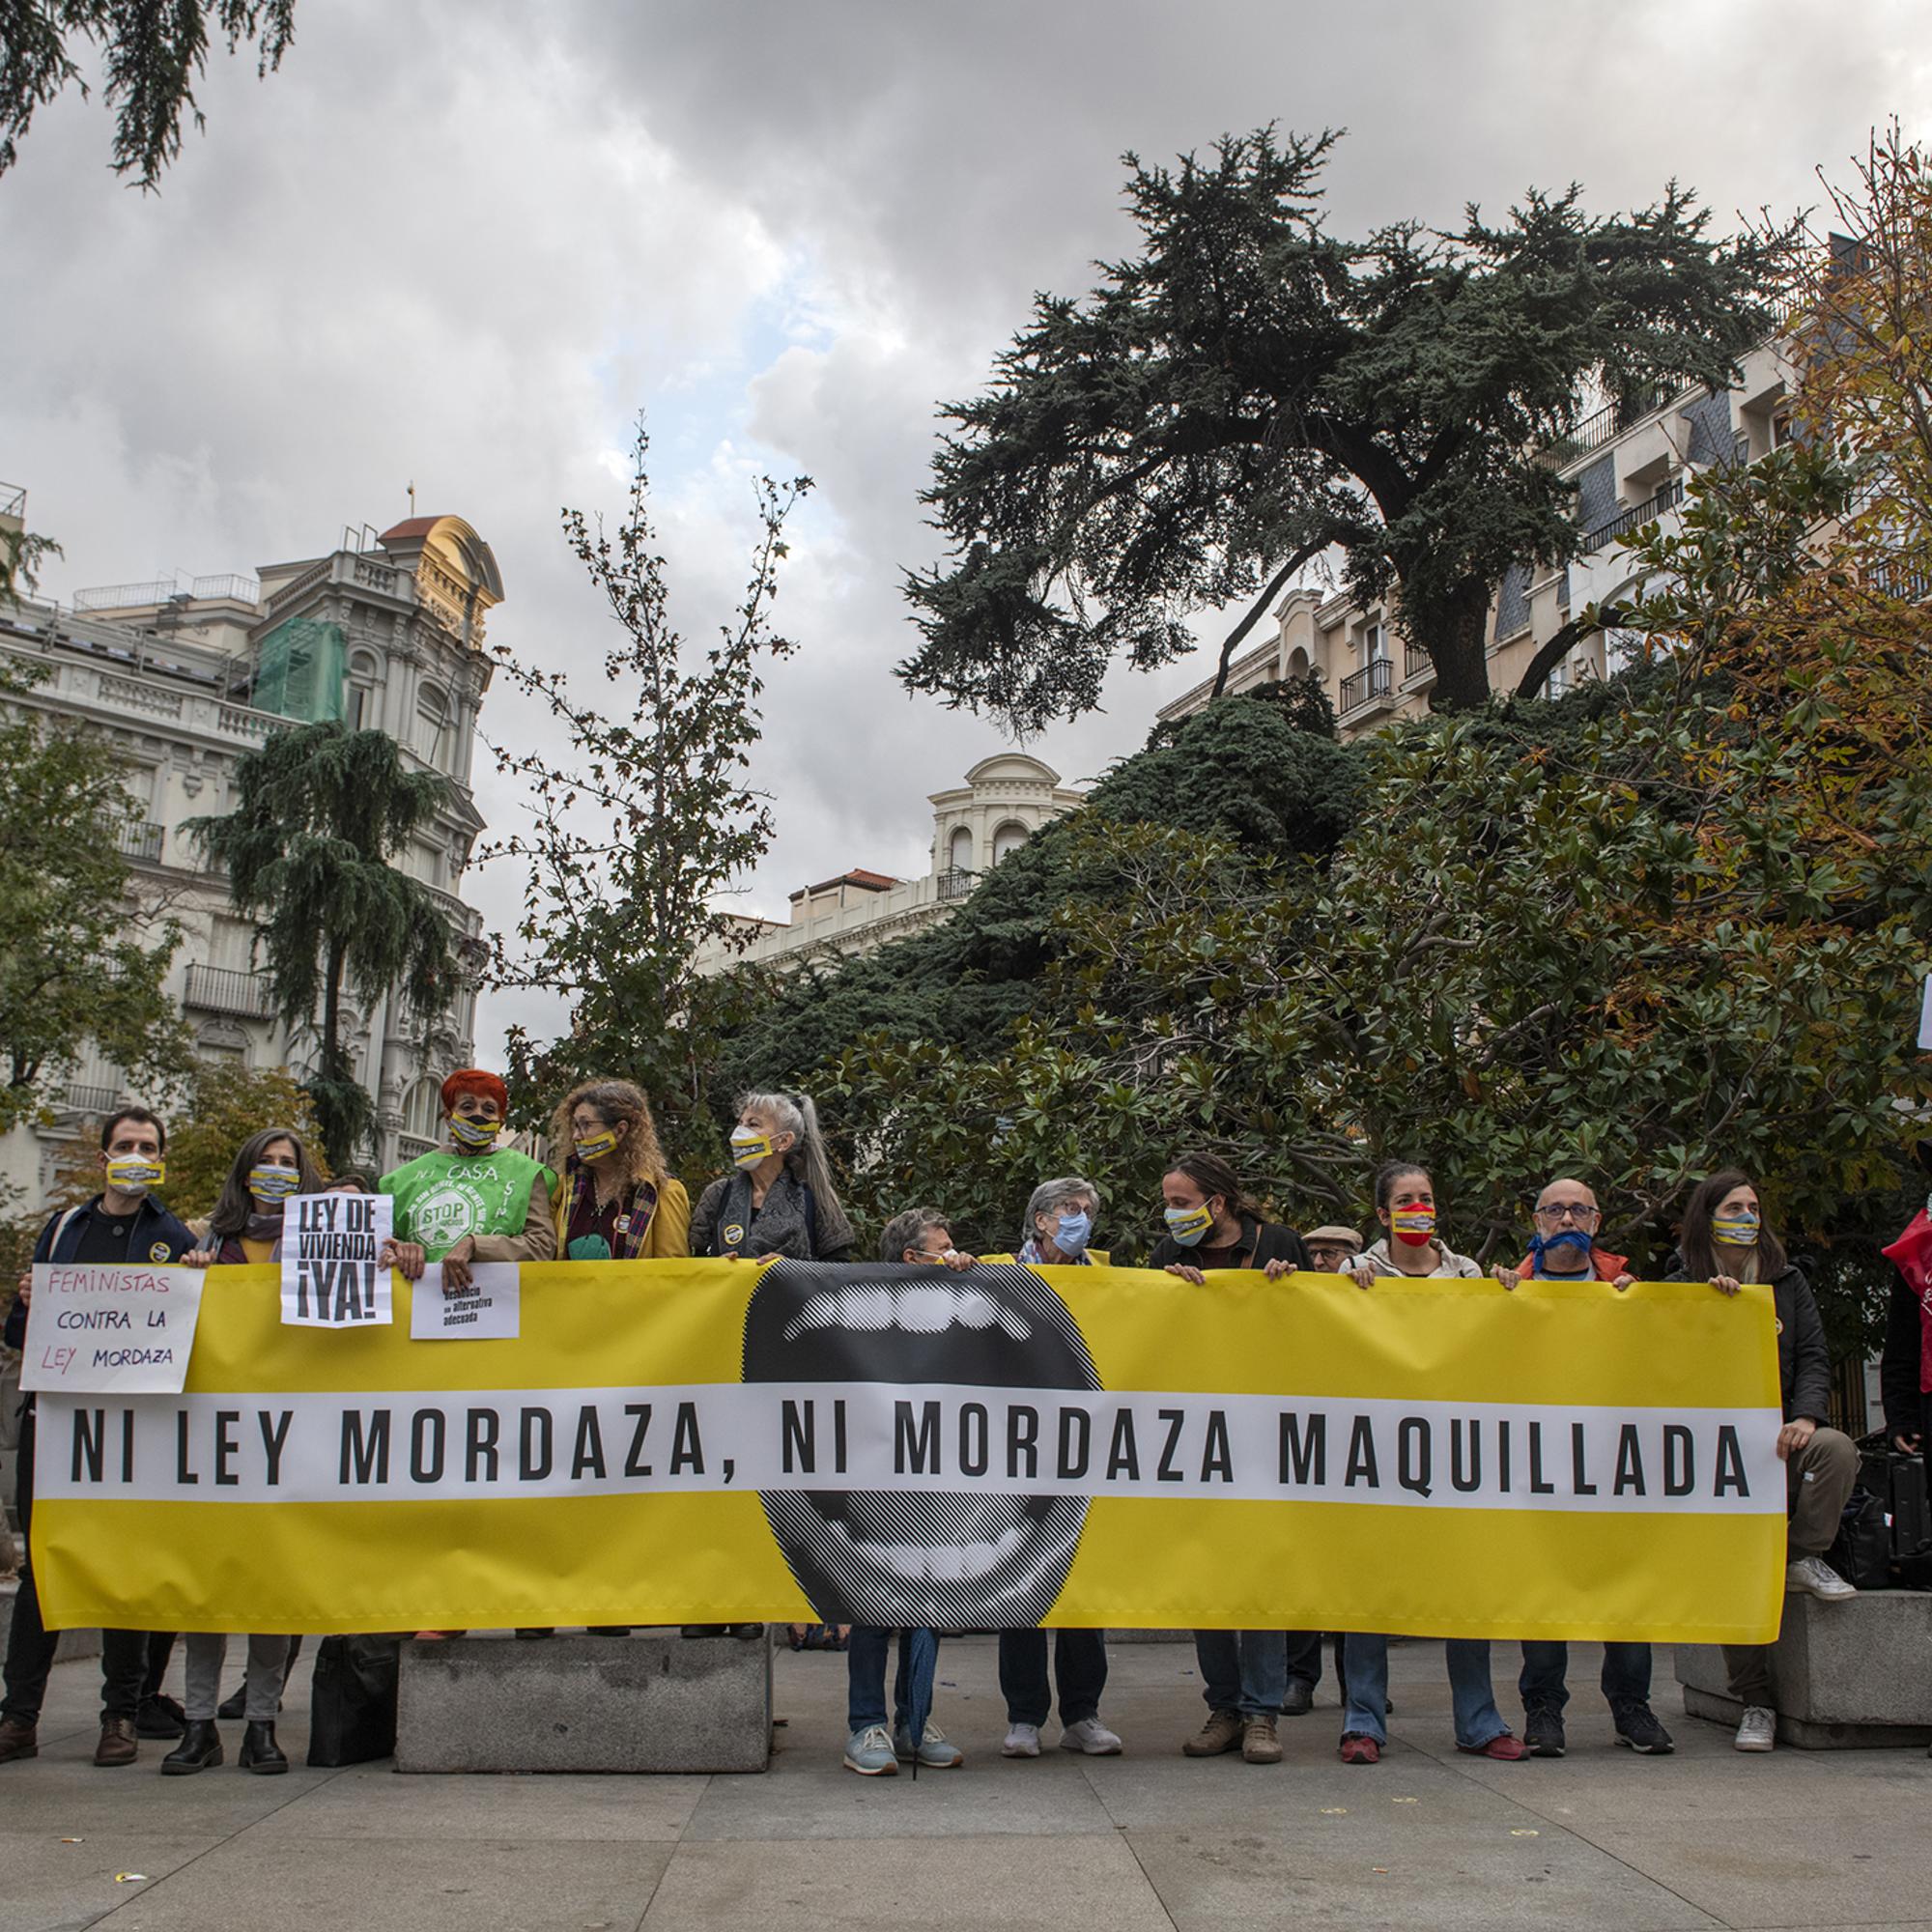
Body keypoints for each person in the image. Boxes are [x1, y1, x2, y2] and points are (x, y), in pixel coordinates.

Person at [0, 1108, 194, 1770]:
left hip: (132, 1431)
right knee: (41, 1573)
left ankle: (120, 1715)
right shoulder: (62, 1230)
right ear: (104, 1154)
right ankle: (18, 1716)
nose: (135, 1154)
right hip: (56, 1426)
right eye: (125, 1145)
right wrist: (29, 1301)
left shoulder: (171, 1235)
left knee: (126, 1570)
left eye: (148, 1146)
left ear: (161, 1156)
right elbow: (18, 1335)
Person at [1336, 1160, 1529, 1765]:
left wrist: (1505, 1299)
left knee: (1463, 1588)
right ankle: (1362, 1722)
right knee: (1367, 1589)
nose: (1419, 1207)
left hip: (1450, 1457)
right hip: (1378, 1454)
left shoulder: (1468, 1273)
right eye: (1406, 1199)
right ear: (1382, 1214)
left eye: (1426, 1196)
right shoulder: (1353, 1272)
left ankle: (1480, 1721)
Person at [1666, 1169, 1859, 1753]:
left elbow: (1813, 1354)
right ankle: (1756, 1703)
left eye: (1753, 1206)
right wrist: (1708, 1308)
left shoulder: (1788, 1277)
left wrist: (1804, 1417)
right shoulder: (1680, 1279)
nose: (1747, 1215)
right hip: (1715, 1448)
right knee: (1732, 1565)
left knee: (1838, 1451)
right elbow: (1665, 1361)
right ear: (1708, 1215)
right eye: (1734, 1206)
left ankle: (1799, 1556)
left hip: (1781, 1437)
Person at [164, 1128, 325, 1774]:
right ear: (245, 1171)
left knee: (272, 1592)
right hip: (217, 1440)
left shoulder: (317, 1245)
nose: (279, 1172)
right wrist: (189, 1279)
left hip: (290, 1438)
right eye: (268, 1162)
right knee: (210, 1592)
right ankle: (199, 1726)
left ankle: (261, 1724)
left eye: (290, 1164)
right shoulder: (210, 1242)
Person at [1498, 1176, 1673, 1757]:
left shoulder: (1626, 1289)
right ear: (1537, 1221)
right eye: (1555, 1210)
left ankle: (1632, 1708)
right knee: (1543, 1590)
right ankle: (1544, 1710)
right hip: (1538, 1465)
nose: (1567, 1219)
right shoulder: (1506, 1288)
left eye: (1579, 1210)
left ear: (1597, 1223)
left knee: (1624, 1589)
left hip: (1611, 1466)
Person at [1148, 1153, 1313, 1761]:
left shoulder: (1281, 1241)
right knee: (1207, 1575)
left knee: (1260, 1572)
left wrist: (1284, 1288)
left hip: (1265, 1434)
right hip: (1197, 1437)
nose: (1172, 1213)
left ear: (1218, 1202)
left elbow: (1311, 1324)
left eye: (1182, 1201)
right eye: (1168, 1200)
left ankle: (1262, 1712)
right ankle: (1225, 1707)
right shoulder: (1170, 1255)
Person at [993, 1178, 1122, 1760]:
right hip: (1014, 1449)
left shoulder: (1110, 1276)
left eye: (1088, 1211)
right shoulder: (997, 1273)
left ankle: (1082, 1714)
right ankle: (1024, 1717)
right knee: (1021, 1589)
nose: (1081, 1219)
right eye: (1071, 1210)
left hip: (1082, 1447)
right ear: (1041, 1220)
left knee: (1082, 1586)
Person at [843, 1208, 972, 1775]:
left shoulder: (964, 1305)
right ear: (909, 1259)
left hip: (935, 1475)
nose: (951, 1255)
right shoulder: (865, 1310)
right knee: (874, 1603)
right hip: (875, 1475)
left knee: (928, 1599)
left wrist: (967, 1271)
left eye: (952, 1248)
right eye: (941, 1249)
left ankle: (915, 1719)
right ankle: (866, 1725)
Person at [378, 1069, 557, 1288]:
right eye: (467, 1107)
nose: (478, 1115)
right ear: (448, 1117)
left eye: (489, 1109)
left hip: (494, 1306)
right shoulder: (402, 1180)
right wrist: (402, 1249)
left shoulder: (526, 1174)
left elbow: (543, 1246)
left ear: (500, 1122)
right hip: (420, 1304)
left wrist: (476, 1245)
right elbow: (381, 1246)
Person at [689, 1091, 854, 1263]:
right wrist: (717, 1266)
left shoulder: (814, 1197)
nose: (739, 1133)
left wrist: (792, 1270)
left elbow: (839, 1270)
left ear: (783, 1141)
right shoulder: (718, 1194)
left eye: (753, 1124)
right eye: (740, 1123)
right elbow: (696, 1264)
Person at [548, 1079, 691, 1261]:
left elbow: (672, 1271)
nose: (576, 1136)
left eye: (586, 1125)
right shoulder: (563, 1189)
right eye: (575, 1125)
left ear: (619, 1131)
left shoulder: (663, 1192)